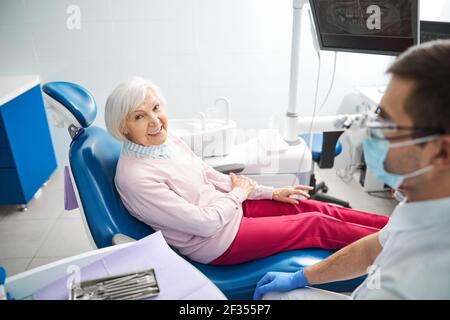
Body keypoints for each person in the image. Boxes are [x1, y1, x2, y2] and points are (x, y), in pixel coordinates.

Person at [104, 77, 388, 265]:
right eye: (140, 116)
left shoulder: (168, 140)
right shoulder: (136, 178)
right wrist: (239, 194)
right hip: (216, 242)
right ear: (123, 126)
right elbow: (204, 224)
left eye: (156, 108)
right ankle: (399, 245)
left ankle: (398, 225)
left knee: (311, 206)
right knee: (314, 224)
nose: (155, 121)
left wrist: (270, 192)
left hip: (230, 211)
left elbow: (210, 176)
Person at [253, 40, 450, 300]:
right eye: (378, 114)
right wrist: (302, 277)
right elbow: (375, 247)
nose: (371, 133)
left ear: (440, 151)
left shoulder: (417, 281)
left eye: (388, 125)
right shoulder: (424, 198)